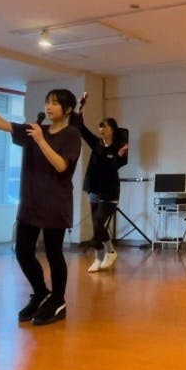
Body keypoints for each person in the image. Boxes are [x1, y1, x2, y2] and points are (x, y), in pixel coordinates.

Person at [0, 80, 81, 326]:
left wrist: (41, 140)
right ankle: (41, 292)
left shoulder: (71, 135)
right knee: (23, 252)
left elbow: (61, 165)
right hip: (30, 203)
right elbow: (2, 124)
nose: (49, 107)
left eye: (55, 103)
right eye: (47, 102)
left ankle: (58, 301)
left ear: (67, 110)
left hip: (55, 203)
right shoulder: (35, 130)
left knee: (54, 254)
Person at [72, 92, 129, 273]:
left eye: (104, 127)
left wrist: (118, 157)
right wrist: (81, 107)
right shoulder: (96, 143)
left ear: (112, 129)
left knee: (98, 223)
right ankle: (98, 258)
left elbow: (116, 166)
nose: (101, 130)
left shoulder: (119, 148)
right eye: (100, 127)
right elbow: (80, 127)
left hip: (110, 191)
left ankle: (110, 251)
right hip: (94, 189)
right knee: (96, 228)